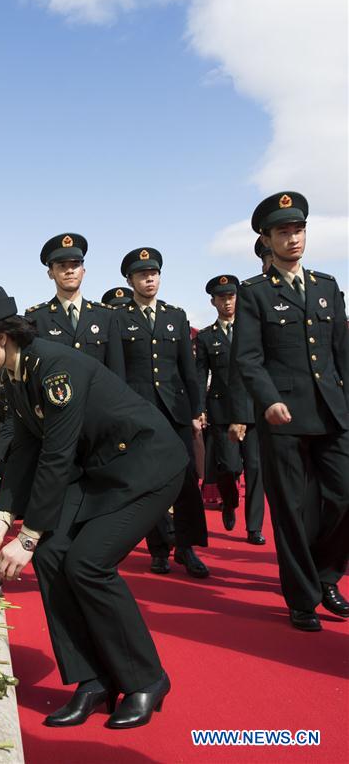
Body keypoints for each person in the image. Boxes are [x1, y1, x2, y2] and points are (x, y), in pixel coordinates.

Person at [0, 287, 186, 729]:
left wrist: (27, 538)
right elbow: (24, 450)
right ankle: (92, 680)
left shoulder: (55, 368)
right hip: (100, 468)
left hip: (146, 466)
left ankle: (146, 679)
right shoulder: (16, 375)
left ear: (0, 337)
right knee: (53, 556)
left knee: (88, 563)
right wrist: (0, 522)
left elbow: (56, 456)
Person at [232, 192, 349, 631]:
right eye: (283, 232)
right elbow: (247, 358)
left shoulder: (326, 286)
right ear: (267, 239)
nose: (293, 238)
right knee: (293, 510)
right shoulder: (255, 294)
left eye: (298, 230)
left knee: (343, 495)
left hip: (333, 413)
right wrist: (268, 399)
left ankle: (326, 575)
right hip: (283, 418)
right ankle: (302, 597)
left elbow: (341, 353)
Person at [114, 248, 209, 578]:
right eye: (142, 275)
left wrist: (197, 410)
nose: (149, 279)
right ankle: (158, 549)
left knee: (186, 480)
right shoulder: (118, 318)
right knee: (148, 482)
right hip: (140, 412)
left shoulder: (175, 316)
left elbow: (188, 369)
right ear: (130, 281)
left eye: (153, 273)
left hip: (176, 410)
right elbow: (118, 371)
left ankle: (187, 547)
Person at [195, 275, 265, 544]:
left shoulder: (253, 331)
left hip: (253, 408)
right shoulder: (206, 337)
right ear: (213, 302)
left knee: (255, 468)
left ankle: (254, 528)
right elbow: (200, 375)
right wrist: (199, 408)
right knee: (229, 466)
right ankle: (229, 500)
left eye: (231, 296)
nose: (227, 302)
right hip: (222, 410)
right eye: (221, 298)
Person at [25, 233, 125, 378]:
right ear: (50, 273)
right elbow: (34, 374)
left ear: (83, 271)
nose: (70, 271)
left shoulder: (106, 316)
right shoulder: (37, 318)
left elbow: (117, 372)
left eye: (75, 265)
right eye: (62, 266)